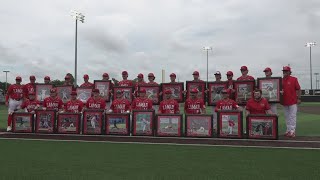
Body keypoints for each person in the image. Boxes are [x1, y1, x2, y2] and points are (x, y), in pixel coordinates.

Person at [281, 66, 301, 138]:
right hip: (284, 101)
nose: (284, 72)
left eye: (286, 71)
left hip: (293, 101)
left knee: (292, 116)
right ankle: (288, 130)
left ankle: (292, 131)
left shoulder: (294, 79)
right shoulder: (281, 80)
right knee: (287, 117)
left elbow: (298, 89)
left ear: (289, 72)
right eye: (284, 71)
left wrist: (299, 98)